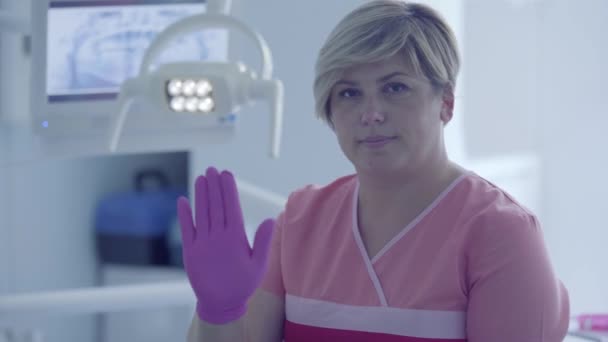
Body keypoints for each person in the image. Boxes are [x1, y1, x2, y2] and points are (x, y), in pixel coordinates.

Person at [178, 1, 570, 341]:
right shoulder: (299, 222)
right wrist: (218, 309)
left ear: (445, 103)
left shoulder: (499, 232)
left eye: (395, 88)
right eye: (349, 93)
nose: (371, 114)